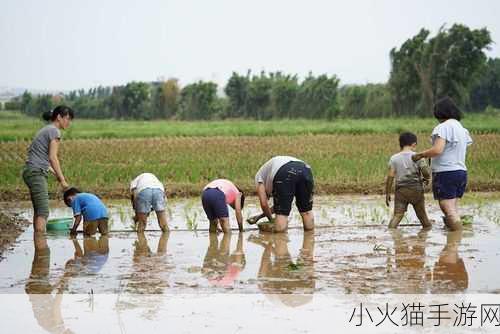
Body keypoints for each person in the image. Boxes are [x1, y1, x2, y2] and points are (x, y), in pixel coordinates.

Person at [412, 97, 473, 231]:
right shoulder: (462, 129)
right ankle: (453, 243)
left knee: (448, 208)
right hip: (461, 172)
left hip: (446, 172)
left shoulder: (443, 127)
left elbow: (437, 150)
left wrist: (420, 155)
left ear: (440, 113)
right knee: (453, 208)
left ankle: (456, 238)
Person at [22, 105, 74, 232]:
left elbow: (40, 156)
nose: (69, 122)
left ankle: (37, 240)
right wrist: (62, 180)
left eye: (70, 119)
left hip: (31, 171)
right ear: (59, 117)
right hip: (36, 173)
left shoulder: (47, 129)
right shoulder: (54, 131)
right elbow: (52, 157)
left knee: (39, 210)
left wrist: (53, 172)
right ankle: (41, 244)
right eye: (67, 118)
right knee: (43, 211)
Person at [248, 156, 314, 233]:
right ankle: (310, 239)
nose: (269, 198)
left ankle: (280, 242)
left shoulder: (258, 177)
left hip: (284, 171)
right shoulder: (269, 173)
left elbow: (264, 204)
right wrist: (259, 217)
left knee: (282, 214)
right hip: (305, 169)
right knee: (306, 211)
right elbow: (278, 206)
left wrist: (271, 220)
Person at [385, 132, 432, 229]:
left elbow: (390, 177)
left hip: (401, 191)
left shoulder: (394, 158)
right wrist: (427, 178)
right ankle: (426, 234)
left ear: (400, 144)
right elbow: (425, 171)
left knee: (397, 215)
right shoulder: (418, 156)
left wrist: (388, 193)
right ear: (414, 144)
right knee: (422, 217)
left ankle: (391, 233)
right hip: (416, 190)